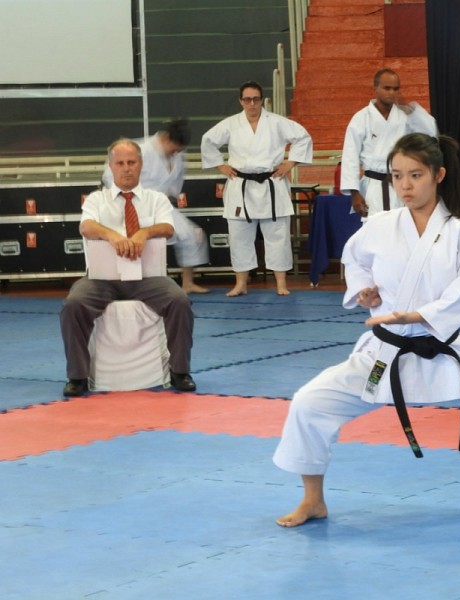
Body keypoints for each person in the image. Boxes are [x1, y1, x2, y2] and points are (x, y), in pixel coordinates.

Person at [273, 133, 460, 528]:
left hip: (444, 352)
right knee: (308, 403)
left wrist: (415, 316)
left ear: (438, 175)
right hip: (384, 357)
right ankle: (313, 501)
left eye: (415, 175)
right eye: (397, 176)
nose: (405, 186)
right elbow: (354, 260)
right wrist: (364, 290)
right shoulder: (380, 225)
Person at [60, 139, 196, 397]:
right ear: (111, 166)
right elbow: (86, 227)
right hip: (101, 279)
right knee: (73, 304)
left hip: (148, 277)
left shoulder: (156, 199)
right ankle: (77, 376)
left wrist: (143, 233)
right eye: (120, 163)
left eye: (131, 162)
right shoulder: (96, 200)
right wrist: (113, 236)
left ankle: (180, 371)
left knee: (179, 301)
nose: (126, 168)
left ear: (141, 164)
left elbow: (168, 228)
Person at [201, 81, 313, 296]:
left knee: (278, 235)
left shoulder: (277, 122)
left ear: (262, 100)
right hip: (241, 184)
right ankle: (241, 284)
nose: (252, 103)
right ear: (240, 101)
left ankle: (281, 283)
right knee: (239, 236)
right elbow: (208, 141)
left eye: (255, 99)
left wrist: (291, 163)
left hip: (272, 182)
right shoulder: (231, 124)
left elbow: (303, 137)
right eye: (247, 99)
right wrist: (220, 165)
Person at [102, 118, 210, 294]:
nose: (176, 153)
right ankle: (131, 285)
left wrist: (169, 198)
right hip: (132, 203)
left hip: (161, 204)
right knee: (139, 241)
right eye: (174, 149)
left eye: (179, 150)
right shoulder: (140, 149)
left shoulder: (178, 155)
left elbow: (175, 185)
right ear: (166, 138)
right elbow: (109, 176)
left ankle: (188, 283)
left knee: (192, 235)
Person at [341, 69, 438, 218]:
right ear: (376, 88)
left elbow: (431, 132)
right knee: (375, 227)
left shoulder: (405, 116)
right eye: (387, 88)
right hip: (373, 185)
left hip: (401, 183)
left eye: (395, 89)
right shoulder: (361, 118)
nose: (392, 93)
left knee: (404, 225)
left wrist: (411, 110)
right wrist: (355, 193)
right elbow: (350, 157)